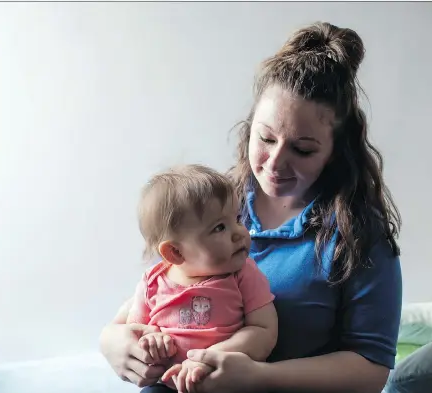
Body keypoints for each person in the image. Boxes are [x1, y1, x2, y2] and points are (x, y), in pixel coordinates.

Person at [100, 21, 403, 393]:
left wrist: (259, 378)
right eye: (266, 138)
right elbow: (162, 289)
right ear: (249, 128)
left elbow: (371, 369)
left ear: (337, 151)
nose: (275, 163)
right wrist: (112, 341)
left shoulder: (357, 234)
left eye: (303, 149)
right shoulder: (216, 203)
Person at [113, 164, 278, 393]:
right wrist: (151, 342)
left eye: (237, 218)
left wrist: (211, 357)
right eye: (220, 227)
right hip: (168, 387)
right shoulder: (152, 283)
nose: (240, 231)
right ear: (175, 253)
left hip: (225, 382)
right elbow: (136, 331)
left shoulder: (243, 274)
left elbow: (264, 331)